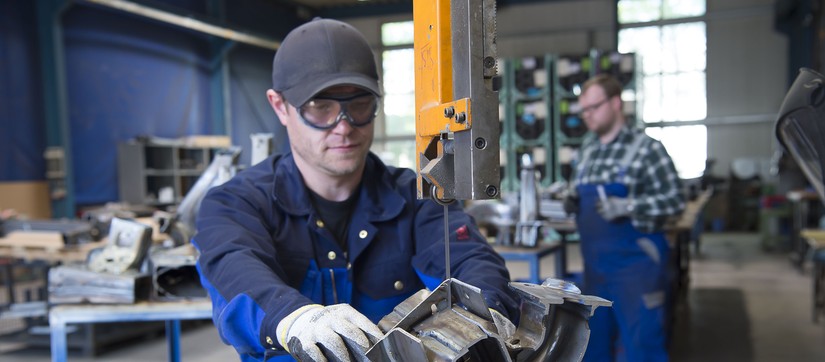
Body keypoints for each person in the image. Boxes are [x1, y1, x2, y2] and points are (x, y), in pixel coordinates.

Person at [193, 18, 519, 362]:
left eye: (359, 104)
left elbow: (471, 261)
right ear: (279, 106)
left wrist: (487, 311)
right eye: (321, 108)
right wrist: (296, 318)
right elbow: (235, 272)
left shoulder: (417, 196)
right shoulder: (235, 204)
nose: (344, 127)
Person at [565, 74, 685, 362]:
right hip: (595, 269)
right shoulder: (587, 152)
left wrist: (629, 206)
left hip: (636, 269)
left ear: (616, 102)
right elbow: (577, 195)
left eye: (593, 107)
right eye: (583, 110)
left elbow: (675, 202)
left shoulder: (647, 150)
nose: (587, 116)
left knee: (641, 347)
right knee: (591, 346)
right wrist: (570, 199)